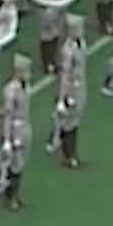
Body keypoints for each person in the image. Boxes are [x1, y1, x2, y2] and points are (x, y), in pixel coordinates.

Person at [46, 14, 88, 168]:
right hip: (71, 88)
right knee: (68, 122)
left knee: (75, 120)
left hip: (80, 85)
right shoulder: (69, 50)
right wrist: (63, 97)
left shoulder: (80, 44)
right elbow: (65, 75)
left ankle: (72, 153)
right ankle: (68, 155)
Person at [0, 55, 34, 209]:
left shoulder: (26, 86)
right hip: (15, 128)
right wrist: (8, 139)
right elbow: (8, 116)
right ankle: (10, 196)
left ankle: (6, 187)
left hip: (25, 125)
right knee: (14, 163)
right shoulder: (11, 91)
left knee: (20, 162)